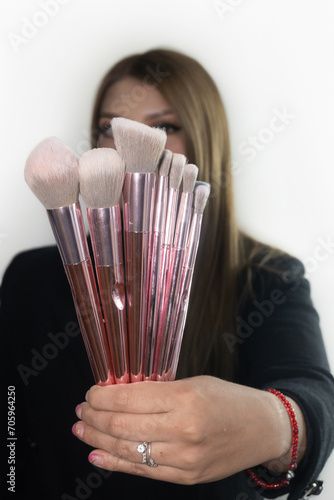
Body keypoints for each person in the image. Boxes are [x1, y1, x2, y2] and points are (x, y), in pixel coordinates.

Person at [1, 49, 333, 500]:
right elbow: (10, 422)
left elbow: (312, 395)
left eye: (164, 127)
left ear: (203, 142)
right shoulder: (32, 276)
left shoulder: (267, 278)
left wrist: (272, 425)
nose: (125, 144)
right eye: (108, 128)